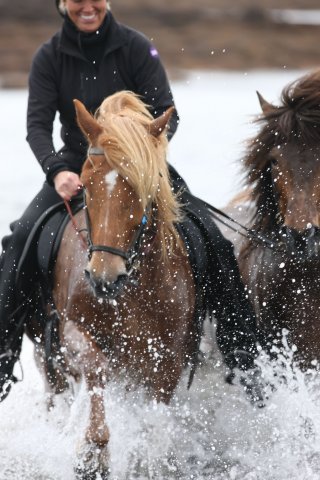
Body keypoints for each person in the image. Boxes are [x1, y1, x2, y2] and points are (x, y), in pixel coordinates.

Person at [0, 0, 260, 402]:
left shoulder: (137, 47)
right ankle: (4, 355)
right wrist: (56, 169)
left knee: (213, 238)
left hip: (141, 165)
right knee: (18, 244)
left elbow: (167, 115)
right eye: (77, 1)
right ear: (62, 4)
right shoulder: (48, 56)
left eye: (95, 0)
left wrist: (140, 153)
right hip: (77, 165)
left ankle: (243, 357)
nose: (87, 8)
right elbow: (37, 125)